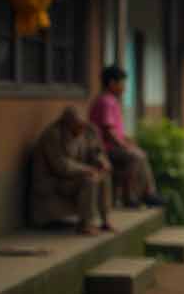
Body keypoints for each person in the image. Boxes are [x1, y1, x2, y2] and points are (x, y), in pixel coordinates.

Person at [89, 66, 164, 208]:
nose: (124, 87)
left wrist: (129, 141)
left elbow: (117, 131)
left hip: (113, 146)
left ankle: (147, 193)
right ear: (112, 83)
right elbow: (108, 131)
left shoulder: (111, 101)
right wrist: (124, 145)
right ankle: (131, 197)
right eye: (122, 83)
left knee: (140, 154)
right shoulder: (106, 101)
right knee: (136, 156)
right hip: (104, 148)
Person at [31, 107, 113, 235]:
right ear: (66, 124)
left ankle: (105, 221)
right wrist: (89, 169)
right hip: (55, 181)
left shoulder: (86, 131)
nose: (81, 130)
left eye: (82, 125)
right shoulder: (52, 135)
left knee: (103, 177)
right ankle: (85, 225)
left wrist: (101, 161)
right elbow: (61, 166)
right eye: (77, 126)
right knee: (89, 181)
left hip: (73, 177)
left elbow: (95, 151)